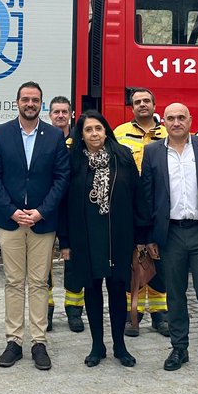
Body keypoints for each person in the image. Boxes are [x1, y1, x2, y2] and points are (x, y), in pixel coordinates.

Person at [140, 103, 198, 378]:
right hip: (171, 235)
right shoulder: (153, 152)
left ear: (190, 120)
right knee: (176, 295)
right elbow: (147, 196)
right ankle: (179, 347)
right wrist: (149, 237)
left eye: (181, 117)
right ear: (163, 122)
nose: (176, 122)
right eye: (171, 118)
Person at [0, 81, 70, 370]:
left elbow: (62, 178)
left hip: (41, 222)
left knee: (38, 283)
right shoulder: (2, 133)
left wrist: (41, 212)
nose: (30, 104)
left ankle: (38, 342)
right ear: (17, 102)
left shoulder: (54, 137)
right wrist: (11, 212)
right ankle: (13, 341)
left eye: (35, 100)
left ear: (41, 104)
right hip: (10, 222)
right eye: (25, 99)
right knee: (12, 281)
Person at [58, 111, 150, 368]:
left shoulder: (122, 157)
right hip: (85, 236)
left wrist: (142, 236)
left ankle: (120, 346)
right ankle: (97, 345)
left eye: (98, 128)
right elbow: (63, 204)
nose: (94, 134)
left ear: (106, 130)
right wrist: (64, 242)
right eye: (88, 130)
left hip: (118, 235)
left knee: (117, 289)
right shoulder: (73, 161)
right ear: (81, 135)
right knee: (92, 288)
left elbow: (138, 196)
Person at [113, 87, 168, 337]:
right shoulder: (120, 133)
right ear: (131, 107)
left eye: (147, 100)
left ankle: (160, 314)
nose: (142, 105)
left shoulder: (167, 133)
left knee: (159, 257)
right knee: (130, 258)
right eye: (137, 102)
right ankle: (131, 313)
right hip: (130, 205)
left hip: (159, 203)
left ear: (155, 105)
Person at [46, 94, 84, 333]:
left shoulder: (80, 141)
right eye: (55, 112)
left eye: (64, 112)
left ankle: (74, 311)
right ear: (49, 115)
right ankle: (46, 311)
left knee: (74, 262)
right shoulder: (44, 139)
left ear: (71, 114)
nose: (60, 115)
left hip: (73, 210)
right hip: (49, 209)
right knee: (44, 264)